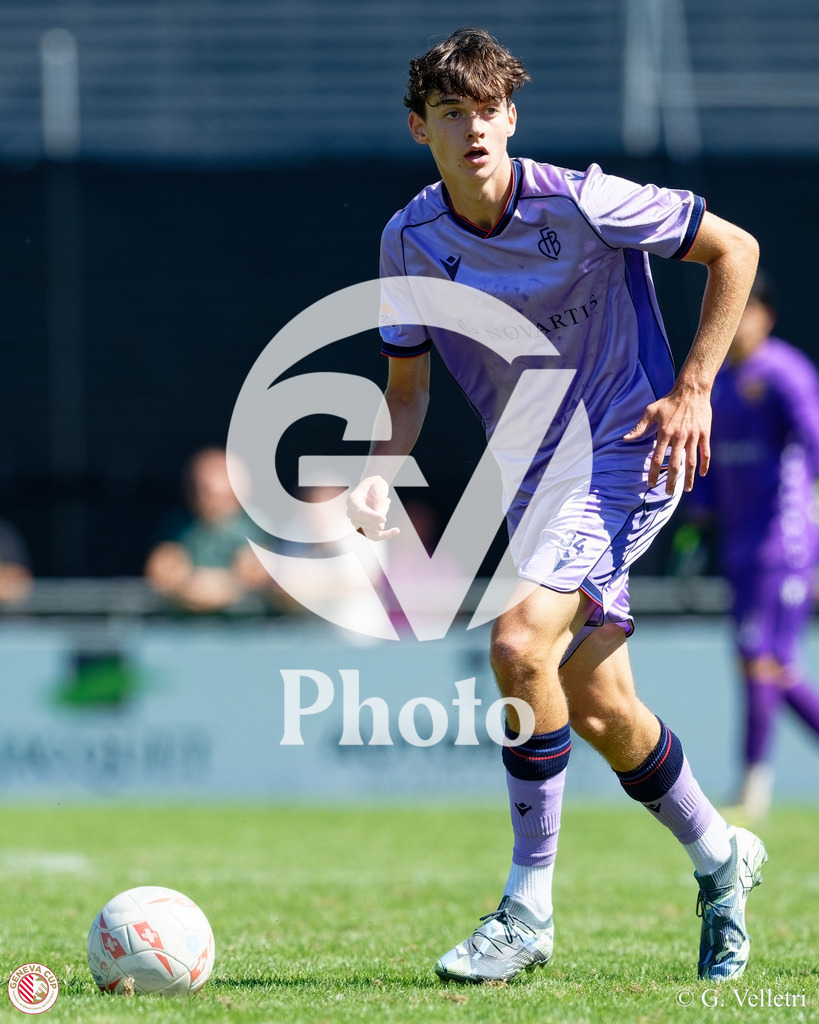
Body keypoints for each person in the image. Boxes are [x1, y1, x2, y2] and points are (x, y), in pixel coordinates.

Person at [346, 28, 764, 984]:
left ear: (511, 117)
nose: (475, 128)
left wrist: (693, 386)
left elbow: (732, 249)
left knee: (517, 643)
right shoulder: (408, 239)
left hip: (624, 454)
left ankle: (525, 911)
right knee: (598, 708)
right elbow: (406, 393)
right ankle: (719, 860)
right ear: (421, 130)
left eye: (489, 109)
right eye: (452, 113)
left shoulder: (582, 199)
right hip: (536, 479)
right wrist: (378, 472)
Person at [686, 271, 819, 821]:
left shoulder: (784, 372)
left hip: (781, 540)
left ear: (764, 315)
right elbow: (710, 470)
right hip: (740, 547)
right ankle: (752, 785)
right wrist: (698, 515)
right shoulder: (717, 385)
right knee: (764, 663)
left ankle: (752, 788)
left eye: (742, 311)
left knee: (763, 660)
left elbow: (813, 447)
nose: (732, 324)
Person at [145, 446, 283, 614]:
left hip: (245, 625)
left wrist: (219, 586)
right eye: (200, 489)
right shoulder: (177, 525)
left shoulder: (255, 525)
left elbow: (259, 573)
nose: (205, 497)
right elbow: (162, 570)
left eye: (215, 493)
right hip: (186, 624)